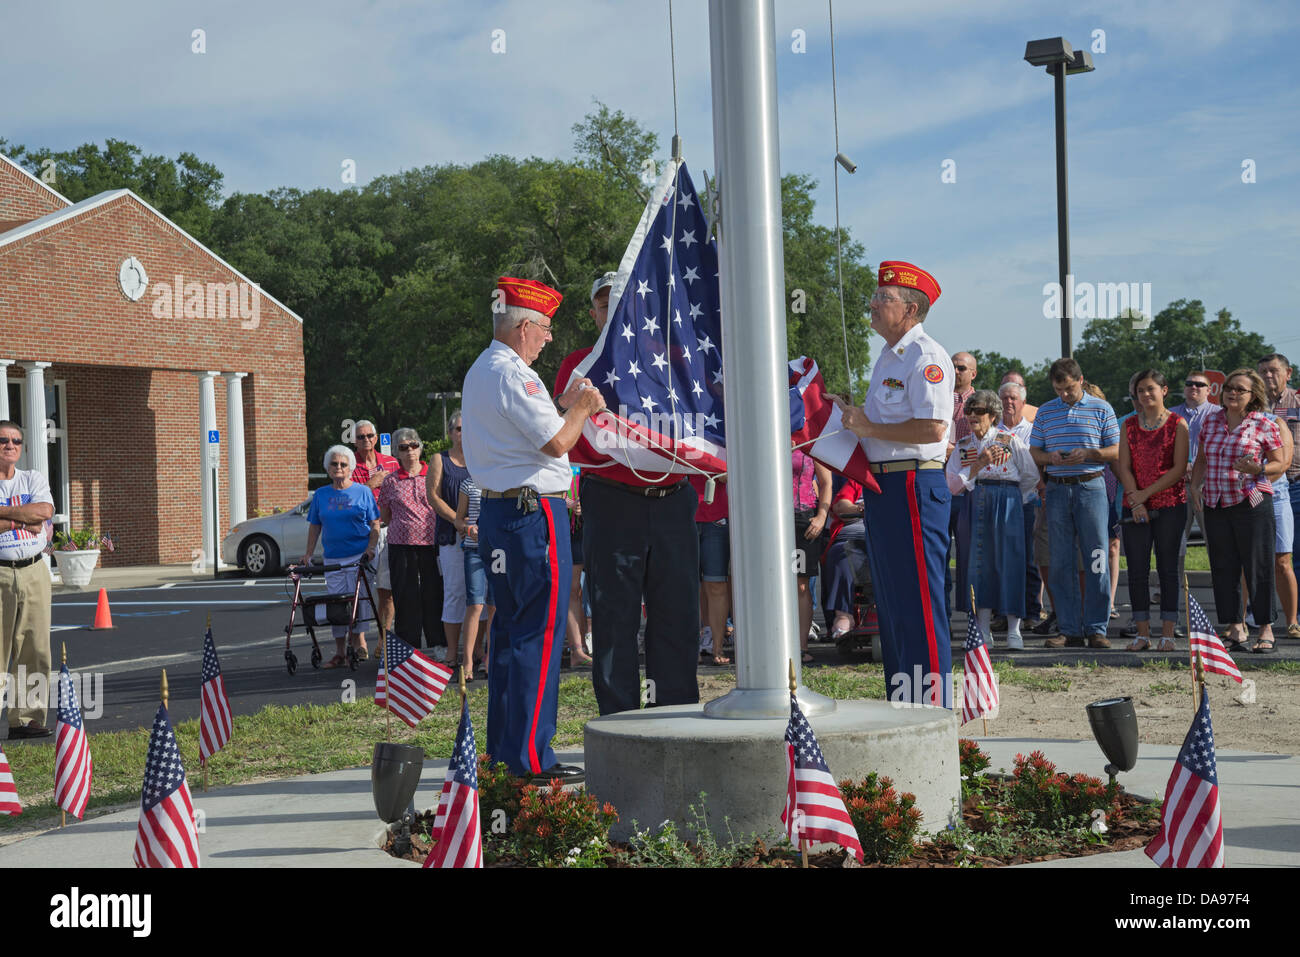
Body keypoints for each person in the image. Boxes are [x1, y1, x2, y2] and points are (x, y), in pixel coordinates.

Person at [462, 276, 604, 782]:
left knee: (510, 634)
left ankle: (506, 752)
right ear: (525, 327)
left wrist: (566, 402)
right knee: (539, 635)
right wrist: (583, 408)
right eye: (544, 329)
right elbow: (557, 443)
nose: (548, 338)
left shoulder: (484, 369)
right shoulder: (515, 375)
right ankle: (529, 759)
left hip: (503, 513)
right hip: (532, 516)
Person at [554, 271, 701, 717]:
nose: (614, 312)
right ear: (595, 314)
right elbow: (562, 416)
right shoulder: (580, 366)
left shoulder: (679, 361)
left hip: (674, 498)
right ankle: (619, 719)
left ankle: (674, 714)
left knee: (676, 612)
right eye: (604, 305)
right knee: (615, 615)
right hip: (612, 499)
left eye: (623, 303)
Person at [832, 260, 954, 708]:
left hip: (915, 487)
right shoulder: (887, 356)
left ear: (911, 310)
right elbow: (878, 425)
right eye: (876, 295)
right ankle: (904, 701)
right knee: (894, 602)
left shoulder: (926, 357)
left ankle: (932, 710)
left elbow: (933, 430)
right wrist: (848, 415)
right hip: (884, 489)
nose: (874, 303)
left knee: (920, 601)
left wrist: (868, 426)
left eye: (885, 298)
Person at [1190, 369, 1286, 653]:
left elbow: (1279, 463)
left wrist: (1259, 469)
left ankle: (1266, 628)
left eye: (1240, 390)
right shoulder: (1211, 421)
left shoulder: (1263, 423)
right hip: (1217, 502)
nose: (1232, 393)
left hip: (1252, 502)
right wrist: (1195, 487)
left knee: (1258, 566)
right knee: (1223, 567)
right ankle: (1234, 627)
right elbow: (1202, 460)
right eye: (1229, 388)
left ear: (1253, 395)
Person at [1029, 358, 1120, 649]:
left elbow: (1116, 450)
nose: (1064, 395)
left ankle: (1096, 628)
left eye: (1068, 388)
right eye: (1059, 390)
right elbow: (1035, 452)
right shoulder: (1045, 411)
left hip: (1091, 485)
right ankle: (1068, 628)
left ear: (1080, 380)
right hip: (1057, 488)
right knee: (1060, 561)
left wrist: (1091, 453)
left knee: (1096, 557)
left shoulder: (1101, 408)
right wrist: (1050, 458)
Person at [946, 391, 1038, 649]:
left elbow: (1030, 475)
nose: (973, 416)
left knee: (1011, 562)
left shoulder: (1009, 440)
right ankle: (982, 630)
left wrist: (1011, 499)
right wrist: (978, 465)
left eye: (979, 411)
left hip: (1007, 500)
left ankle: (1013, 631)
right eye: (969, 411)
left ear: (993, 415)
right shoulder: (963, 445)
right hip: (974, 501)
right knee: (977, 565)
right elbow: (952, 484)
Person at [1114, 371, 1189, 651]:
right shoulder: (1130, 425)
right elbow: (1124, 466)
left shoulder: (1177, 424)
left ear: (1164, 390)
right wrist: (1136, 502)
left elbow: (1179, 469)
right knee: (1136, 571)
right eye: (1140, 391)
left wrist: (1145, 495)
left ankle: (1168, 633)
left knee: (1168, 570)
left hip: (1170, 505)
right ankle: (1142, 634)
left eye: (1150, 389)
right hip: (1135, 507)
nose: (1145, 395)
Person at [303, 445, 381, 668]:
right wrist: (308, 553)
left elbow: (375, 522)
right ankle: (339, 652)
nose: (339, 468)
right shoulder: (321, 495)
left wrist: (372, 546)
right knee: (336, 606)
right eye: (334, 464)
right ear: (328, 468)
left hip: (359, 555)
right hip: (333, 559)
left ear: (350, 469)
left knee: (358, 603)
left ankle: (357, 645)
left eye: (343, 464)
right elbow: (315, 526)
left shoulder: (363, 492)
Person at [0, 421, 54, 739]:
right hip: (1, 572)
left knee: (35, 648)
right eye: (3, 440)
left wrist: (5, 516)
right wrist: (23, 518)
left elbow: (45, 511)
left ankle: (26, 720)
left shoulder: (32, 477)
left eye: (16, 440)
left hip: (34, 570)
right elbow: (33, 517)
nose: (10, 445)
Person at [376, 428, 440, 652]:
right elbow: (385, 515)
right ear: (397, 452)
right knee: (405, 594)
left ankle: (437, 643)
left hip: (431, 543)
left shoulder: (433, 474)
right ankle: (408, 646)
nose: (410, 450)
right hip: (400, 544)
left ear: (420, 447)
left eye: (413, 445)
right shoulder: (390, 481)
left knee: (433, 593)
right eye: (403, 447)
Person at [1170, 371, 1218, 622]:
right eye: (1189, 384)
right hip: (1177, 487)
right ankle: (1170, 593)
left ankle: (1223, 594)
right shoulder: (1171, 414)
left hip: (1209, 486)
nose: (1194, 388)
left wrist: (1198, 468)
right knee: (1175, 544)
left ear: (1210, 389)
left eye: (1200, 385)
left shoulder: (1218, 414)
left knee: (1217, 543)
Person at [1258, 354, 1300, 637]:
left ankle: (1295, 616)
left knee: (1292, 556)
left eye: (1273, 371)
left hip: (1296, 482)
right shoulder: (1253, 405)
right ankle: (1260, 614)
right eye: (1263, 372)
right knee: (1265, 555)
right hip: (1261, 485)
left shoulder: (1297, 402)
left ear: (1288, 373)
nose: (1268, 376)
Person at [999, 378, 1044, 626]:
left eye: (1013, 398)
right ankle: (1001, 612)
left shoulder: (1033, 431)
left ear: (1023, 402)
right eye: (1004, 398)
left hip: (1026, 500)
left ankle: (1031, 612)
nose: (1008, 402)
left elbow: (1035, 469)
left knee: (1028, 558)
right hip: (997, 502)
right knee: (1000, 559)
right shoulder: (993, 432)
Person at [424, 413, 468, 662]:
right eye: (459, 429)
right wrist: (457, 520)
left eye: (468, 428)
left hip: (480, 536)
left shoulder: (481, 458)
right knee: (454, 592)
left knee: (479, 594)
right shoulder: (439, 460)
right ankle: (452, 652)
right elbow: (433, 497)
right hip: (451, 536)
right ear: (450, 432)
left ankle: (476, 650)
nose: (463, 433)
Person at [351, 420, 398, 638]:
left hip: (389, 530)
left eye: (369, 436)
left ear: (376, 438)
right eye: (361, 437)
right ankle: (359, 640)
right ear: (354, 440)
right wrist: (371, 484)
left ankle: (383, 640)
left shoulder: (391, 463)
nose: (366, 440)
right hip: (362, 532)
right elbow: (347, 498)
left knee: (386, 591)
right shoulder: (348, 465)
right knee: (359, 590)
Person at [793, 444, 832, 665]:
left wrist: (821, 517)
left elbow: (826, 483)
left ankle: (800, 647)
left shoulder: (809, 444)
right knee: (773, 584)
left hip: (803, 518)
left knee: (800, 585)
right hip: (769, 517)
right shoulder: (765, 438)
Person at [455, 473, 495, 679]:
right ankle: (467, 662)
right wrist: (468, 528)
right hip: (474, 550)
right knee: (475, 604)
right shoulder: (468, 483)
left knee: (494, 605)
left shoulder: (502, 478)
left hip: (498, 550)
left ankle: (490, 658)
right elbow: (458, 519)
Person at [947, 352, 978, 612]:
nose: (956, 371)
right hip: (939, 487)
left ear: (973, 374)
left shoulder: (982, 404)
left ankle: (973, 618)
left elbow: (981, 447)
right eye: (952, 367)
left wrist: (952, 451)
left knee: (969, 558)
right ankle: (940, 616)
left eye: (961, 367)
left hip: (968, 489)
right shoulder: (938, 398)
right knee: (938, 556)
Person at [691, 473, 731, 665]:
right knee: (687, 587)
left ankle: (717, 647)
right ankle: (690, 647)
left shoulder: (722, 440)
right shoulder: (678, 440)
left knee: (716, 585)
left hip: (716, 519)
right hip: (682, 515)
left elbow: (729, 475)